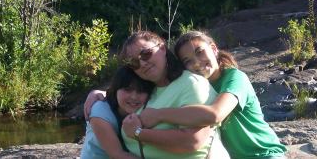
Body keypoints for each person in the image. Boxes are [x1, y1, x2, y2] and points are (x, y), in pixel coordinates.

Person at [139, 31, 287, 159]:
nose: (197, 63)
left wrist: (158, 115)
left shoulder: (235, 78)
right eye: (188, 61)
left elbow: (216, 114)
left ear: (214, 49)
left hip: (265, 154)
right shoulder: (194, 87)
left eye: (199, 52)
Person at [84, 31, 229, 159]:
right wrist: (98, 92)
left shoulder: (191, 84)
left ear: (162, 48)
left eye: (146, 54)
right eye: (134, 62)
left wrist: (138, 133)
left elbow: (192, 141)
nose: (142, 63)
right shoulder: (148, 90)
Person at [80, 66, 153, 159]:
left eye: (141, 91)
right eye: (127, 89)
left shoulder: (147, 108)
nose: (134, 97)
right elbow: (117, 154)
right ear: (116, 89)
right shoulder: (100, 112)